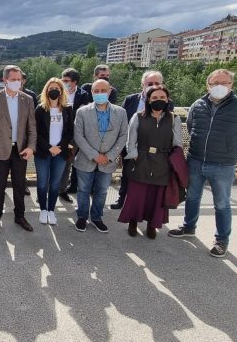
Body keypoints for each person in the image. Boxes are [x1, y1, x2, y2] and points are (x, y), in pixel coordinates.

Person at [169, 69, 237, 257]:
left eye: (224, 82)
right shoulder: (198, 104)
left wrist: (231, 151)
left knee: (222, 203)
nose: (219, 86)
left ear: (231, 85)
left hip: (223, 164)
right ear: (207, 85)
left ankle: (221, 240)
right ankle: (188, 227)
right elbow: (191, 125)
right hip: (195, 159)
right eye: (215, 82)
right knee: (192, 197)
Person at [118, 85, 183, 238]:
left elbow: (177, 143)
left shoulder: (174, 119)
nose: (158, 100)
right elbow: (130, 140)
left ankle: (152, 224)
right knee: (137, 195)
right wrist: (134, 155)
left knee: (156, 197)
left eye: (162, 98)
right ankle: (133, 222)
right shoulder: (138, 116)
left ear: (167, 100)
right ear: (148, 99)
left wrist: (172, 161)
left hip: (162, 163)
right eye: (154, 98)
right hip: (140, 160)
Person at [0, 65, 36, 232]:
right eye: (13, 79)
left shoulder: (27, 99)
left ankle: (19, 216)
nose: (17, 82)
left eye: (19, 79)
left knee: (20, 185)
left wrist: (31, 147)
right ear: (5, 80)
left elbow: (32, 127)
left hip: (20, 150)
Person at [72, 79, 128, 234]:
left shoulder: (121, 112)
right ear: (92, 93)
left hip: (108, 161)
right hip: (86, 159)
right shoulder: (82, 112)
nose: (100, 93)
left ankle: (96, 217)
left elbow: (123, 136)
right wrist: (94, 155)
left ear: (110, 92)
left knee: (102, 191)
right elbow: (78, 136)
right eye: (96, 91)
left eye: (103, 90)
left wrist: (109, 155)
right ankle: (82, 216)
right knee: (83, 190)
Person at [111, 71, 168, 210]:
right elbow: (122, 121)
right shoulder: (131, 99)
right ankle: (122, 200)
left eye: (157, 83)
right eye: (150, 83)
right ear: (143, 84)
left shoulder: (166, 102)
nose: (153, 86)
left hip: (152, 149)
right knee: (126, 173)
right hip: (130, 145)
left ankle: (144, 205)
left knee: (147, 177)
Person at [34, 78, 74, 225]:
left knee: (55, 183)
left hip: (60, 153)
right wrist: (49, 147)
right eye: (50, 88)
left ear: (61, 91)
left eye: (56, 88)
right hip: (43, 152)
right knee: (42, 183)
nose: (54, 90)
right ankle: (43, 210)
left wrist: (59, 147)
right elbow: (35, 132)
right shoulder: (40, 109)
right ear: (46, 91)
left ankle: (51, 210)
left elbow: (70, 132)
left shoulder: (68, 109)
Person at [57, 68, 87, 202]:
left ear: (75, 82)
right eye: (62, 80)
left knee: (67, 163)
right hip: (56, 134)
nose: (63, 83)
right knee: (52, 162)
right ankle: (47, 191)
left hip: (74, 135)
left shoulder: (84, 95)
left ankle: (62, 190)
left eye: (66, 81)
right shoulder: (56, 92)